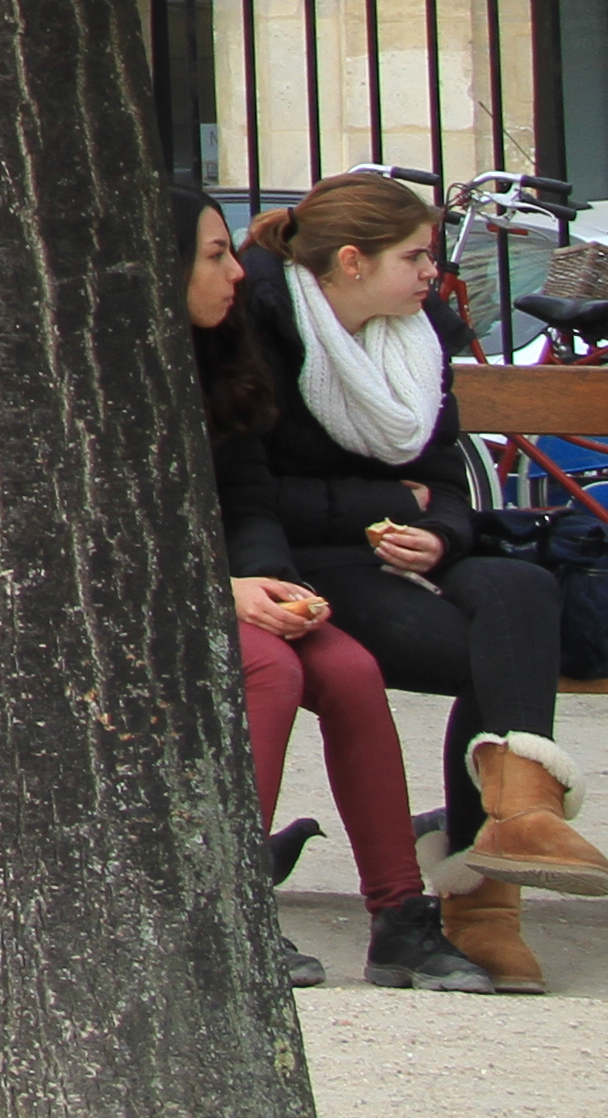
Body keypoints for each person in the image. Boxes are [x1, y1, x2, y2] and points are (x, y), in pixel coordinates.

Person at [228, 171, 606, 993]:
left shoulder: (420, 333)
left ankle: (509, 844)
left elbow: (451, 485)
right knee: (494, 656)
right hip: (307, 564)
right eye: (417, 255)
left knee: (521, 592)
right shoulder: (260, 322)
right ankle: (481, 891)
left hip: (395, 556)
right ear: (353, 263)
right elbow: (249, 491)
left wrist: (437, 534)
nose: (433, 272)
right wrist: (381, 504)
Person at [194, 196, 490, 988]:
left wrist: (278, 585)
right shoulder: (135, 363)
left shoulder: (229, 348)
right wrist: (225, 586)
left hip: (243, 576)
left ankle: (399, 920)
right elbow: (116, 516)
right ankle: (232, 913)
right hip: (158, 587)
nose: (238, 268)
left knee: (351, 671)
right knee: (274, 671)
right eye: (215, 255)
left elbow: (248, 494)